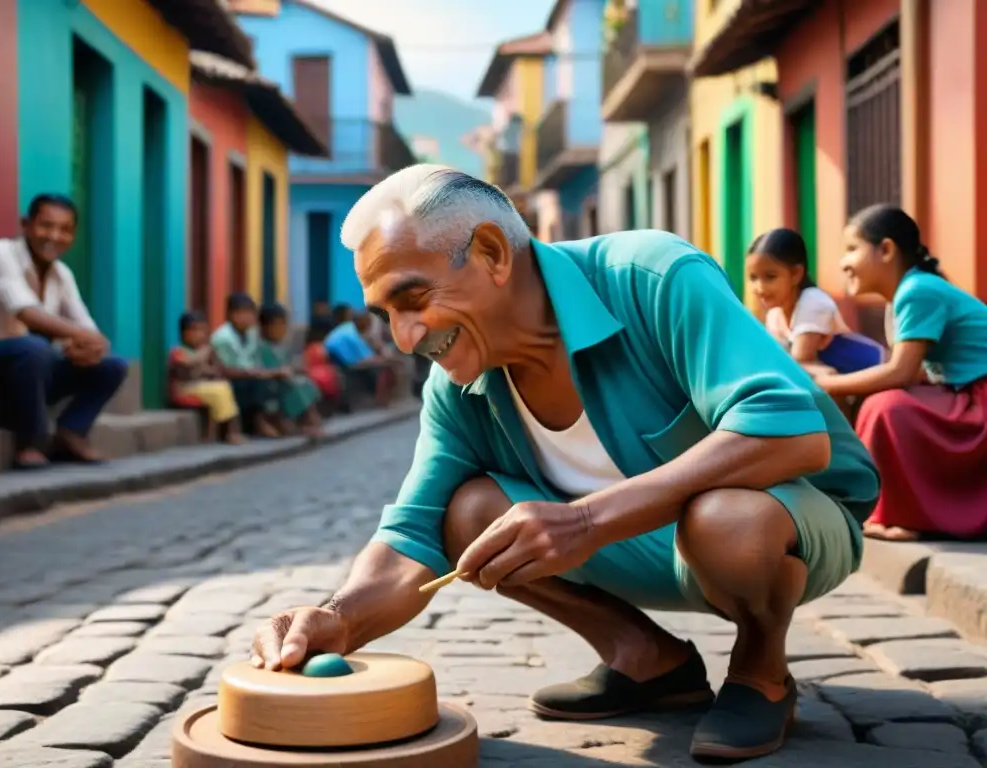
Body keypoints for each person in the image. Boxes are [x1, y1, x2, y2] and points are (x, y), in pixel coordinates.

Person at [250, 166, 881, 762]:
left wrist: (582, 522)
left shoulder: (651, 275)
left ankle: (761, 672)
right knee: (468, 511)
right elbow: (413, 533)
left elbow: (788, 434)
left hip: (783, 529)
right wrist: (336, 618)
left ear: (494, 253)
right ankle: (644, 659)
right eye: (385, 314)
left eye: (412, 299)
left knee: (727, 517)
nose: (405, 337)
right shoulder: (457, 387)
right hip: (644, 552)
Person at [815, 205, 987, 543]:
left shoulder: (917, 290)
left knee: (887, 408)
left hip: (979, 399)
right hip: (966, 393)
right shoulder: (904, 296)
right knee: (884, 403)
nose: (843, 263)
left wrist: (823, 385)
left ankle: (906, 515)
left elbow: (901, 373)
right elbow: (918, 374)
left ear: (887, 249)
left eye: (852, 249)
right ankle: (889, 509)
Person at [0, 194, 128, 469]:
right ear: (26, 225)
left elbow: (86, 327)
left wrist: (93, 346)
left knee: (112, 365)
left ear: (73, 235)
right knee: (33, 346)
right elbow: (27, 313)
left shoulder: (62, 274)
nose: (54, 236)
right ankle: (31, 441)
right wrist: (80, 337)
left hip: (28, 368)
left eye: (65, 230)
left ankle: (71, 432)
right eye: (46, 226)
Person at [747, 228, 885, 377]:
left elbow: (800, 359)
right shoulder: (774, 314)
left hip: (875, 371)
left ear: (796, 274)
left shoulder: (812, 302)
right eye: (753, 278)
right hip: (844, 383)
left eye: (770, 277)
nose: (759, 288)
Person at [210, 292, 285, 438]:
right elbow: (225, 370)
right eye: (241, 313)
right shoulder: (223, 337)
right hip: (230, 379)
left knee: (273, 381)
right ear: (230, 315)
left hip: (250, 375)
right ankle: (259, 422)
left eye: (249, 313)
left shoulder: (252, 334)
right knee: (257, 383)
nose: (246, 318)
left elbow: (255, 360)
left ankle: (278, 420)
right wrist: (255, 373)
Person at [167, 311, 243, 444]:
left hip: (200, 387)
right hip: (183, 390)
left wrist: (211, 369)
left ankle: (231, 430)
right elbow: (188, 362)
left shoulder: (204, 352)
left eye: (203, 331)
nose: (199, 335)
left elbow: (212, 370)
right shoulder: (178, 351)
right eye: (194, 330)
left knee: (223, 387)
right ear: (184, 333)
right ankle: (230, 433)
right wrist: (204, 353)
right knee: (219, 391)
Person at [257, 303, 325, 438]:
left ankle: (310, 420)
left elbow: (286, 364)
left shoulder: (279, 346)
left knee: (306, 383)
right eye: (276, 326)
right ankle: (307, 422)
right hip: (270, 383)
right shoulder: (262, 347)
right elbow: (267, 367)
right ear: (264, 327)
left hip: (282, 379)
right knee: (295, 387)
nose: (280, 329)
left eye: (283, 325)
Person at [324, 306, 394, 407]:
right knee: (386, 366)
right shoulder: (351, 331)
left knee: (384, 363)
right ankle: (381, 400)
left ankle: (380, 398)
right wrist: (385, 359)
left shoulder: (345, 329)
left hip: (336, 361)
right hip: (343, 363)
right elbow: (366, 358)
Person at [302, 325, 344, 410]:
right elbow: (326, 359)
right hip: (324, 373)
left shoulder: (307, 349)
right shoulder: (320, 347)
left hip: (314, 374)